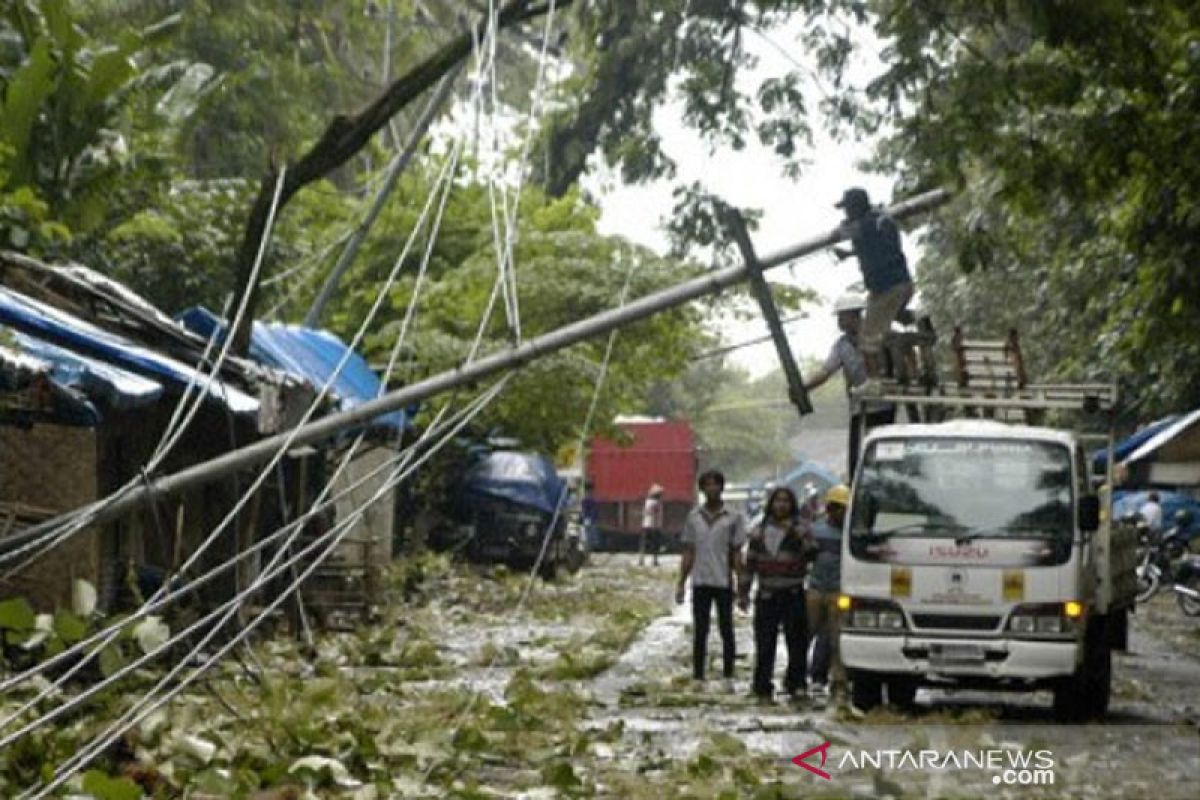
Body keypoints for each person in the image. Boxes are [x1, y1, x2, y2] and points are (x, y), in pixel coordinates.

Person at [803, 291, 896, 478]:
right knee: (856, 462)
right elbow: (825, 371)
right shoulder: (841, 346)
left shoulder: (879, 335)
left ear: (854, 315)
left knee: (882, 458)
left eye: (841, 316)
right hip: (858, 408)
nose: (839, 321)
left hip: (883, 406)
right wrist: (804, 388)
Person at [739, 486, 818, 702]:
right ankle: (762, 685)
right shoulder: (759, 530)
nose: (781, 505)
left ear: (792, 504)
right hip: (766, 594)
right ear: (770, 504)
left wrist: (800, 536)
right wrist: (743, 593)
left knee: (797, 642)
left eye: (786, 501)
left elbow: (813, 553)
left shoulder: (801, 529)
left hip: (793, 593)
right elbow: (750, 563)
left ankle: (797, 683)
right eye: (777, 501)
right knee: (765, 643)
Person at [832, 187, 913, 378]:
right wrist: (850, 253)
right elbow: (877, 247)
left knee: (867, 341)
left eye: (848, 209)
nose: (846, 213)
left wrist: (844, 228)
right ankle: (908, 317)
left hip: (886, 289)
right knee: (885, 321)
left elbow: (841, 232)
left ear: (855, 207)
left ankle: (874, 381)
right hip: (904, 283)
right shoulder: (884, 218)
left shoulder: (862, 226)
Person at [676, 470, 747, 687]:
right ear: (702, 489)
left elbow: (736, 553)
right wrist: (681, 582)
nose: (712, 489)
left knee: (727, 629)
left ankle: (728, 674)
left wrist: (741, 583)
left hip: (723, 581)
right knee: (700, 629)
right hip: (700, 580)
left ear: (721, 488)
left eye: (715, 484)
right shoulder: (694, 517)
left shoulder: (733, 518)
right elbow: (689, 551)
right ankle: (698, 675)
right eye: (707, 485)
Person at [807, 484, 848, 699]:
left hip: (839, 591)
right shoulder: (816, 530)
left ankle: (836, 679)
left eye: (843, 509)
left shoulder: (850, 534)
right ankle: (804, 676)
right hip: (815, 589)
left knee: (836, 637)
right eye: (837, 508)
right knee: (808, 634)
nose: (840, 513)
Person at [639, 483, 665, 566]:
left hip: (645, 525)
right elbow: (657, 514)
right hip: (654, 526)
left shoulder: (647, 502)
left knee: (643, 544)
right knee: (655, 545)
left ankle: (641, 560)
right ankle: (654, 561)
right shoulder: (657, 503)